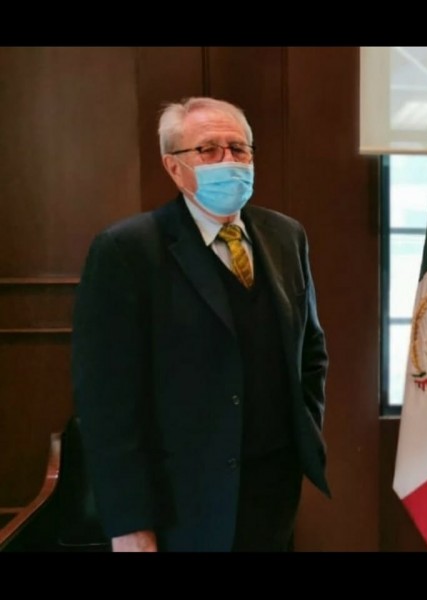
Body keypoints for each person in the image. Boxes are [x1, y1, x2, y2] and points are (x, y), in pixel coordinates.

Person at [71, 97, 329, 552]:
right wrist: (130, 524)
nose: (228, 160)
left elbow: (311, 351)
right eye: (208, 150)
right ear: (174, 167)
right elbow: (106, 402)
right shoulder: (127, 251)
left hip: (273, 491)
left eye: (238, 148)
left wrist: (301, 431)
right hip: (179, 503)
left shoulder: (286, 236)